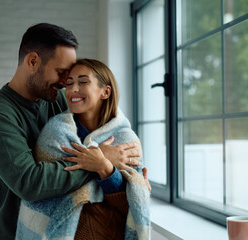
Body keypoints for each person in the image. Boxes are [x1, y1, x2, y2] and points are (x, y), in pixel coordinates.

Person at [0, 23, 141, 240]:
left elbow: (105, 124)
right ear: (33, 61)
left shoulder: (59, 99)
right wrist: (98, 162)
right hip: (16, 234)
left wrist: (134, 180)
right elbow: (30, 183)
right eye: (61, 73)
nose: (66, 83)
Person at [16, 59, 151, 240]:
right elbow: (45, 186)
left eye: (83, 82)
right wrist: (98, 161)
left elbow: (131, 205)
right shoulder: (54, 133)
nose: (72, 90)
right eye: (69, 83)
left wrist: (104, 167)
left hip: (108, 233)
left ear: (106, 91)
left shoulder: (126, 140)